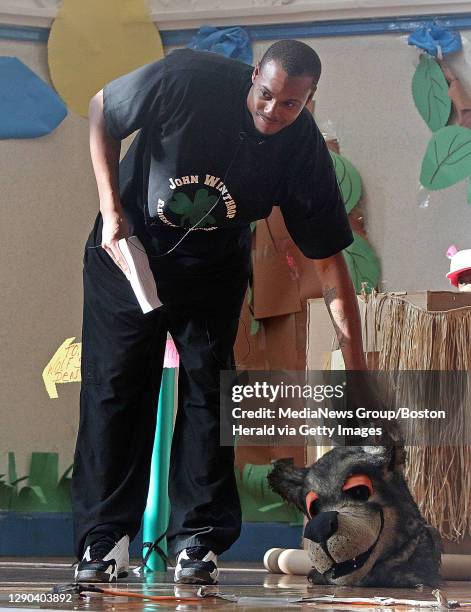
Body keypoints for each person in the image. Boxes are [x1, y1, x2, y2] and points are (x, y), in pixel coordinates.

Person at [71, 39, 367, 586]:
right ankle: (102, 540)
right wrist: (112, 212)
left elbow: (329, 264)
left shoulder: (301, 150)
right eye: (266, 95)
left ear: (309, 101)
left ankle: (198, 543)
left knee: (210, 393)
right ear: (254, 76)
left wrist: (356, 364)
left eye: (290, 105)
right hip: (127, 251)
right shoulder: (187, 79)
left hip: (211, 271)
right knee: (114, 389)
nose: (272, 113)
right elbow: (100, 110)